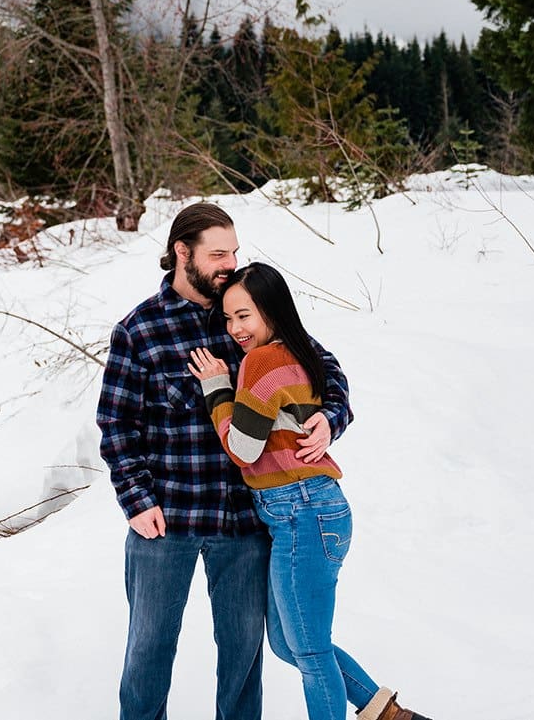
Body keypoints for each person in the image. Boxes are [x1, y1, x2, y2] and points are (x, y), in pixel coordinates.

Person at [98, 202, 327, 720]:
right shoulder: (139, 331)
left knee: (243, 656)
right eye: (218, 253)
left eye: (235, 252)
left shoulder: (246, 316)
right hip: (167, 520)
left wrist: (330, 416)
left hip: (245, 519)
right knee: (149, 651)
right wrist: (136, 500)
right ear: (183, 252)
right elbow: (116, 425)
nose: (230, 262)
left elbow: (322, 367)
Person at [188, 262, 435, 720]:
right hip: (303, 511)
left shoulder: (262, 361)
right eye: (227, 318)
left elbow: (242, 449)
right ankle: (386, 713)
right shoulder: (296, 352)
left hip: (303, 510)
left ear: (271, 309)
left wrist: (216, 387)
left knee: (310, 650)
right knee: (289, 643)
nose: (235, 328)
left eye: (244, 315)